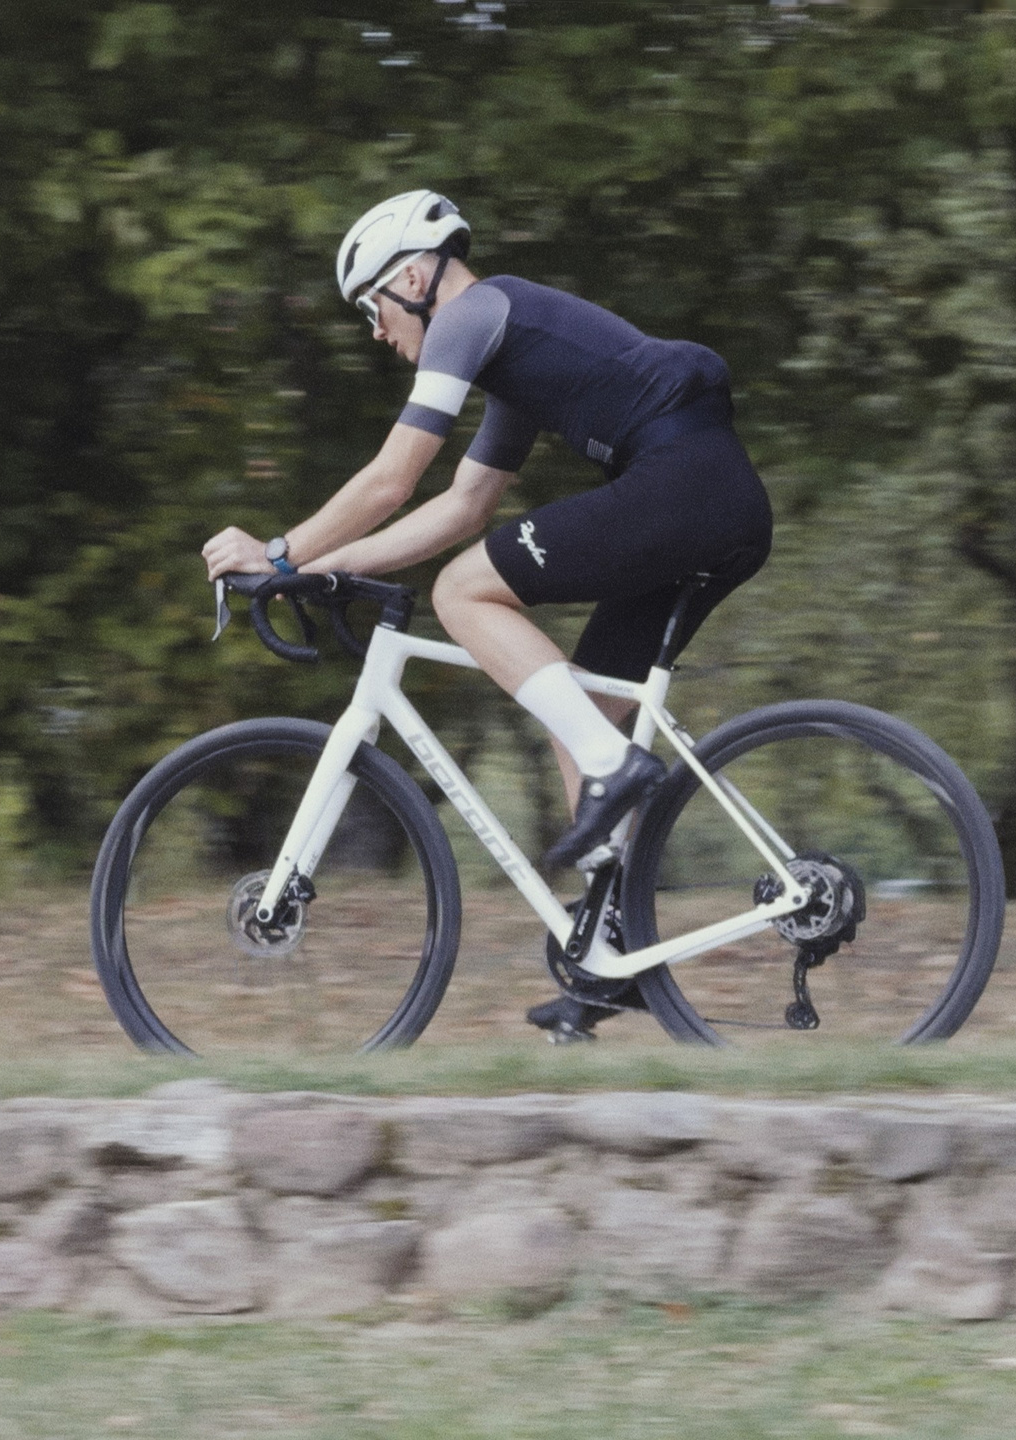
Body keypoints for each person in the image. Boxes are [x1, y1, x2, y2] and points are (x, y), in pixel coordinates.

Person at [199, 189, 773, 1036]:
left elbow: (393, 481)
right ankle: (612, 951)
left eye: (374, 306)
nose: (375, 330)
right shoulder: (514, 357)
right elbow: (462, 506)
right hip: (713, 495)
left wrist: (276, 554)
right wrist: (321, 571)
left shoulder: (474, 313)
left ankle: (614, 778)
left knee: (463, 592)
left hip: (683, 484)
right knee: (582, 707)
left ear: (421, 276)